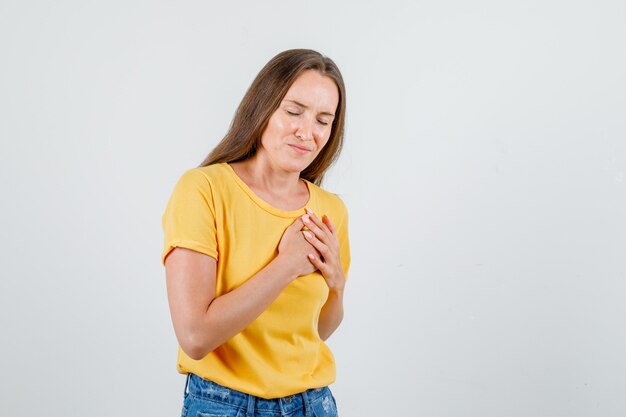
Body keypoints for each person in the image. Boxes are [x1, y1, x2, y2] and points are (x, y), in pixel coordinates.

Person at [161, 49, 350, 417]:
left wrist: (337, 285)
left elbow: (315, 333)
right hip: (223, 405)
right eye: (293, 111)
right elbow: (195, 337)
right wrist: (288, 264)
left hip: (312, 404)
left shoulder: (331, 211)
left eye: (323, 121)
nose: (306, 132)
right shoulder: (204, 190)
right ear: (262, 107)